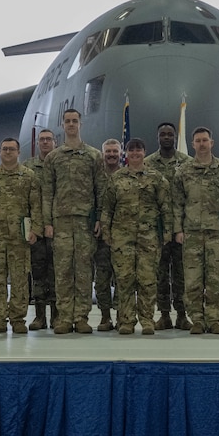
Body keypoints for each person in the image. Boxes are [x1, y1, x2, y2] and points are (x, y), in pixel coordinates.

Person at [42, 109, 105, 335]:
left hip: (85, 223)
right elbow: (48, 192)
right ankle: (65, 317)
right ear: (62, 124)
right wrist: (47, 223)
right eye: (67, 121)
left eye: (74, 121)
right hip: (61, 224)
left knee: (84, 271)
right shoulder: (54, 157)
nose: (71, 124)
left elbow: (101, 190)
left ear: (80, 124)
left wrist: (99, 218)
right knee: (63, 271)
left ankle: (81, 317)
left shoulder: (93, 156)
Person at [101, 138, 172, 335]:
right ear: (126, 153)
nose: (134, 153)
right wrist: (106, 233)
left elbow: (165, 207)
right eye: (131, 150)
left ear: (144, 152)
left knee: (147, 280)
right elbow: (107, 208)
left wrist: (167, 233)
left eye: (138, 150)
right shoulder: (116, 178)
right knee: (124, 280)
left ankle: (147, 320)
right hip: (121, 238)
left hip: (148, 238)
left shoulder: (156, 178)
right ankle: (126, 321)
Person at [173, 126, 219, 334]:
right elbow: (177, 203)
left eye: (205, 140)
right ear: (193, 145)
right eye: (198, 141)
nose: (202, 144)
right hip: (191, 233)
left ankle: (212, 319)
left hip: (216, 233)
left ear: (212, 143)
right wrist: (178, 230)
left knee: (215, 279)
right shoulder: (183, 171)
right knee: (192, 280)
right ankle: (197, 320)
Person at [0, 138, 42, 334]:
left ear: (18, 152)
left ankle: (17, 319)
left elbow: (36, 205)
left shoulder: (29, 176)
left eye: (11, 149)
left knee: (20, 279)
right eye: (4, 149)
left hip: (20, 237)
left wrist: (36, 230)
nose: (7, 152)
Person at [147, 122, 191, 330]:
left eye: (170, 134)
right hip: (158, 229)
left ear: (175, 137)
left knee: (182, 274)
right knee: (161, 274)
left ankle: (182, 315)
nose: (166, 137)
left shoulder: (186, 163)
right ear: (157, 137)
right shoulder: (148, 164)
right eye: (163, 134)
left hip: (182, 227)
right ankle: (164, 315)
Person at [24, 128, 57, 330]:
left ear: (55, 142)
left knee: (56, 273)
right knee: (37, 273)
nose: (45, 142)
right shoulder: (28, 167)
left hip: (58, 228)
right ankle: (39, 316)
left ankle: (56, 316)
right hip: (36, 229)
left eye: (49, 139)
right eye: (42, 140)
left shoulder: (61, 164)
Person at [94, 138, 123, 330]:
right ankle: (105, 317)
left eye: (115, 151)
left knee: (123, 278)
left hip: (123, 235)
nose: (111, 155)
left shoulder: (128, 175)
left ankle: (122, 316)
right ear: (103, 153)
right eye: (108, 151)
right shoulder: (95, 176)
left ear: (121, 154)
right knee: (102, 280)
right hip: (101, 236)